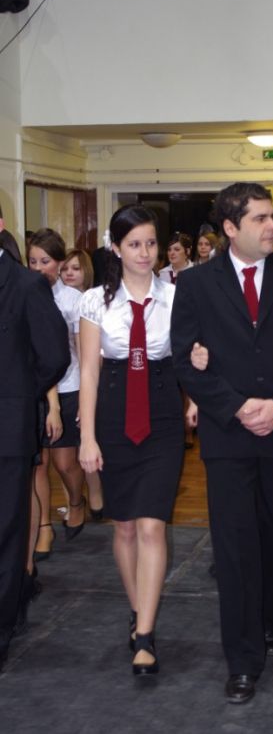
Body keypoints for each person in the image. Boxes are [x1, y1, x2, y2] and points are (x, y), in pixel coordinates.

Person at [171, 182, 273, 704]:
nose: (272, 226)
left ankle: (269, 615)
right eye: (260, 218)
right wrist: (238, 407)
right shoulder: (196, 284)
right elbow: (184, 360)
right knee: (236, 546)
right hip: (229, 436)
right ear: (230, 227)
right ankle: (242, 660)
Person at [78, 204, 185, 676]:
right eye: (134, 244)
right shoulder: (94, 302)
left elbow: (188, 356)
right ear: (116, 248)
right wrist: (87, 437)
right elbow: (88, 373)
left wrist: (195, 393)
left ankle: (145, 634)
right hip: (114, 411)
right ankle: (138, 607)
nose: (144, 253)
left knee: (152, 526)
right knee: (124, 527)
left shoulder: (177, 296)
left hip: (162, 413)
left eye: (151, 243)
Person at [0, 244, 69, 670]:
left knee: (6, 531)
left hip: (7, 428)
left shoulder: (26, 285)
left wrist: (21, 394)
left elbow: (55, 354)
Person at [28, 229, 86, 557]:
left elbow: (83, 351)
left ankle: (76, 501)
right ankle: (44, 528)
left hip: (69, 385)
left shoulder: (73, 300)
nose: (39, 268)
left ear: (60, 263)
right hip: (35, 389)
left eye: (45, 261)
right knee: (39, 463)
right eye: (33, 261)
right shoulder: (25, 294)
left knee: (65, 463)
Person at [60, 248, 104, 520]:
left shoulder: (93, 301)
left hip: (86, 381)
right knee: (64, 453)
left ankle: (97, 497)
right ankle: (73, 502)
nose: (69, 273)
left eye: (75, 268)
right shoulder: (56, 299)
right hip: (63, 381)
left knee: (87, 444)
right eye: (65, 268)